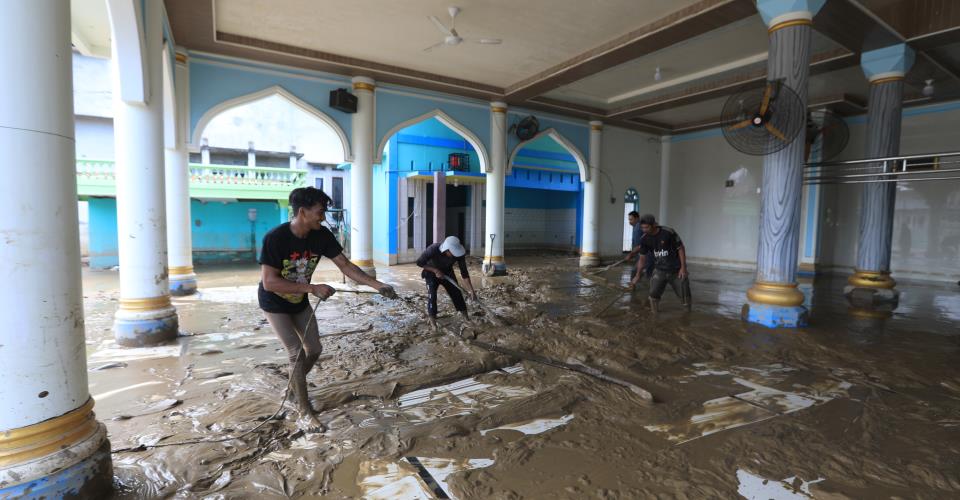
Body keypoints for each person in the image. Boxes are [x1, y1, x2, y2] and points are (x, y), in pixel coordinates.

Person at [259, 187, 397, 429]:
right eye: (320, 212)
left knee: (314, 349)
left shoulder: (321, 235)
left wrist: (377, 285)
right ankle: (304, 411)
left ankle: (293, 387)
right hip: (274, 302)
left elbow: (345, 265)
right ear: (302, 212)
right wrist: (312, 288)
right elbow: (269, 282)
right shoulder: (275, 238)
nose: (323, 218)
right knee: (296, 353)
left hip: (299, 300)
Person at [628, 214, 691, 312]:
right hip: (659, 270)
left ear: (654, 225)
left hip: (676, 270)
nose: (644, 230)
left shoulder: (668, 232)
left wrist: (683, 268)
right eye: (642, 228)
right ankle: (655, 316)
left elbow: (680, 248)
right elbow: (642, 259)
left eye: (646, 227)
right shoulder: (644, 238)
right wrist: (637, 275)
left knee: (685, 295)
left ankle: (687, 314)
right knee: (653, 295)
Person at [417, 236, 477, 329]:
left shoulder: (459, 255)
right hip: (431, 273)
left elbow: (464, 273)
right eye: (453, 252)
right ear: (446, 249)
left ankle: (466, 318)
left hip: (447, 273)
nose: (455, 256)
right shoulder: (433, 249)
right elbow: (419, 263)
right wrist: (435, 270)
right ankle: (433, 321)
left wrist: (471, 290)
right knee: (432, 296)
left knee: (457, 293)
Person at [624, 211, 654, 281]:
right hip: (644, 254)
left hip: (646, 255)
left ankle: (633, 285)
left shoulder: (638, 228)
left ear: (637, 219)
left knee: (635, 271)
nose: (629, 222)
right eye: (629, 220)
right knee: (645, 272)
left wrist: (630, 254)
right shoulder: (637, 227)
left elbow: (639, 245)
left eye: (631, 219)